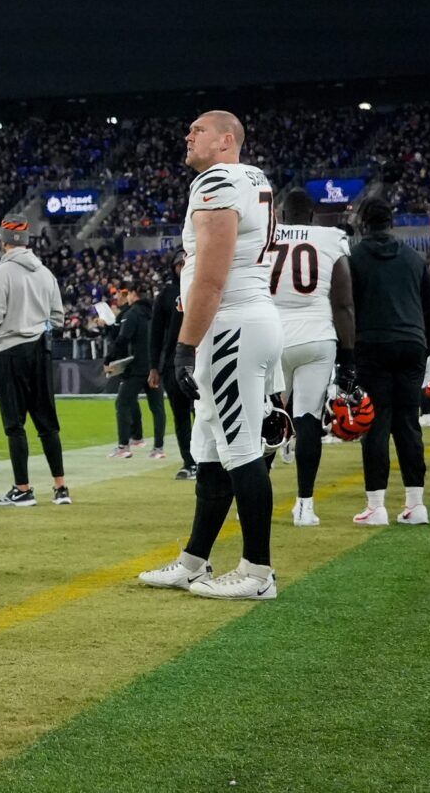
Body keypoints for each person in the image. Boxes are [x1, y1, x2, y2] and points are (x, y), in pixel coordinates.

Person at [139, 111, 283, 601]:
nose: (187, 135)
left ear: (226, 140)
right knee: (210, 450)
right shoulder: (253, 178)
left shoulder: (218, 180)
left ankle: (258, 572)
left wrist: (184, 346)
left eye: (197, 130)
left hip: (231, 325)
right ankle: (194, 560)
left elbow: (212, 276)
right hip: (245, 320)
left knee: (240, 449)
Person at [268, 186, 355, 527]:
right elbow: (344, 301)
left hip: (271, 337)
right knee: (307, 422)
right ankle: (305, 505)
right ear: (313, 215)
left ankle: (255, 501)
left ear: (283, 215)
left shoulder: (266, 236)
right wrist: (349, 357)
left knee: (268, 419)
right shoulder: (330, 238)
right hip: (317, 336)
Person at [346, 197, 430, 526]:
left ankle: (376, 506)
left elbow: (347, 306)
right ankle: (416, 505)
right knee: (408, 424)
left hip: (372, 343)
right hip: (411, 342)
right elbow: (428, 307)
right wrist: (423, 348)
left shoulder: (353, 257)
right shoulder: (414, 257)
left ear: (363, 223)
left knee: (376, 424)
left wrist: (347, 353)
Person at [0, 216, 70, 507]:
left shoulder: (1, 273)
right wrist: (37, 325)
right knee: (47, 422)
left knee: (14, 423)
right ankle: (60, 487)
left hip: (11, 349)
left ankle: (23, 488)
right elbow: (58, 317)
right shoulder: (45, 273)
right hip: (41, 349)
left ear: (3, 240)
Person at [150, 250, 195, 480]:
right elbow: (155, 333)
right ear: (174, 268)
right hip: (172, 363)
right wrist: (153, 367)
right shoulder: (167, 294)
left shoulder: (205, 287)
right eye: (180, 264)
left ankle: (208, 460)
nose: (184, 267)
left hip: (201, 359)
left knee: (204, 414)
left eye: (187, 263)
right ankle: (189, 461)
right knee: (180, 416)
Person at [105, 284, 160, 459]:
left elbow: (123, 339)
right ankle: (158, 448)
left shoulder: (132, 314)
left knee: (122, 403)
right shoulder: (155, 314)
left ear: (134, 294)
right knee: (157, 408)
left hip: (137, 367)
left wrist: (109, 360)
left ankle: (124, 446)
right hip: (154, 367)